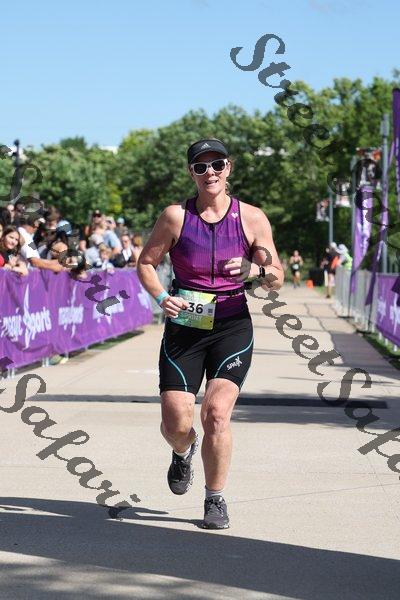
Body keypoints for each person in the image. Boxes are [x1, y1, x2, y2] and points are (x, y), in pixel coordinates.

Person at [137, 138, 283, 529]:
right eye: (201, 167)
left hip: (232, 326)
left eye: (217, 164)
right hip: (186, 325)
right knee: (175, 424)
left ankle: (214, 498)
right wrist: (162, 297)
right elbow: (146, 263)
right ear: (192, 173)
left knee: (216, 414)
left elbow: (277, 276)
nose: (210, 173)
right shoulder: (175, 217)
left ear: (228, 168)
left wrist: (254, 271)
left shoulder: (251, 218)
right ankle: (182, 451)